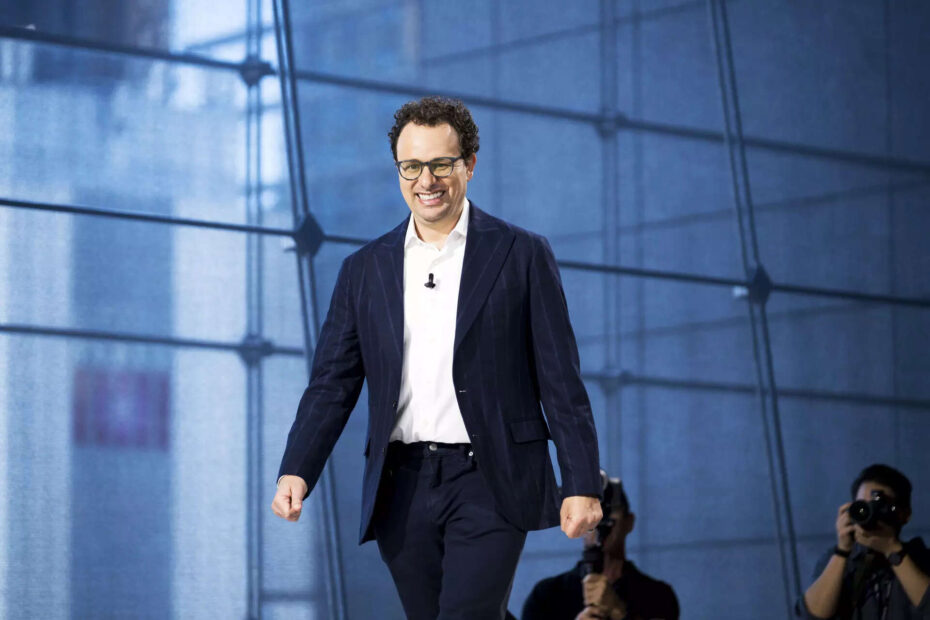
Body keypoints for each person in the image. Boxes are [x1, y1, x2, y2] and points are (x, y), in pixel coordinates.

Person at [271, 96, 603, 619]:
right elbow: (332, 383)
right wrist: (297, 468)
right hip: (400, 484)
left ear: (469, 164)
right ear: (398, 170)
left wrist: (581, 483)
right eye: (411, 166)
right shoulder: (364, 269)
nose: (426, 180)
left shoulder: (521, 254)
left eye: (441, 164)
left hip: (492, 478)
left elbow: (560, 380)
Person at [522, 477, 679, 620]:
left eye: (607, 515)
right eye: (590, 516)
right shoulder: (547, 595)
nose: (598, 525)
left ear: (629, 522)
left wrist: (618, 611)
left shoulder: (658, 596)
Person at [798, 464, 930, 619]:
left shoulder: (922, 559)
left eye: (881, 506)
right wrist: (842, 551)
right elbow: (811, 616)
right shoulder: (841, 561)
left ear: (905, 515)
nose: (871, 512)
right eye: (864, 507)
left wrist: (892, 550)